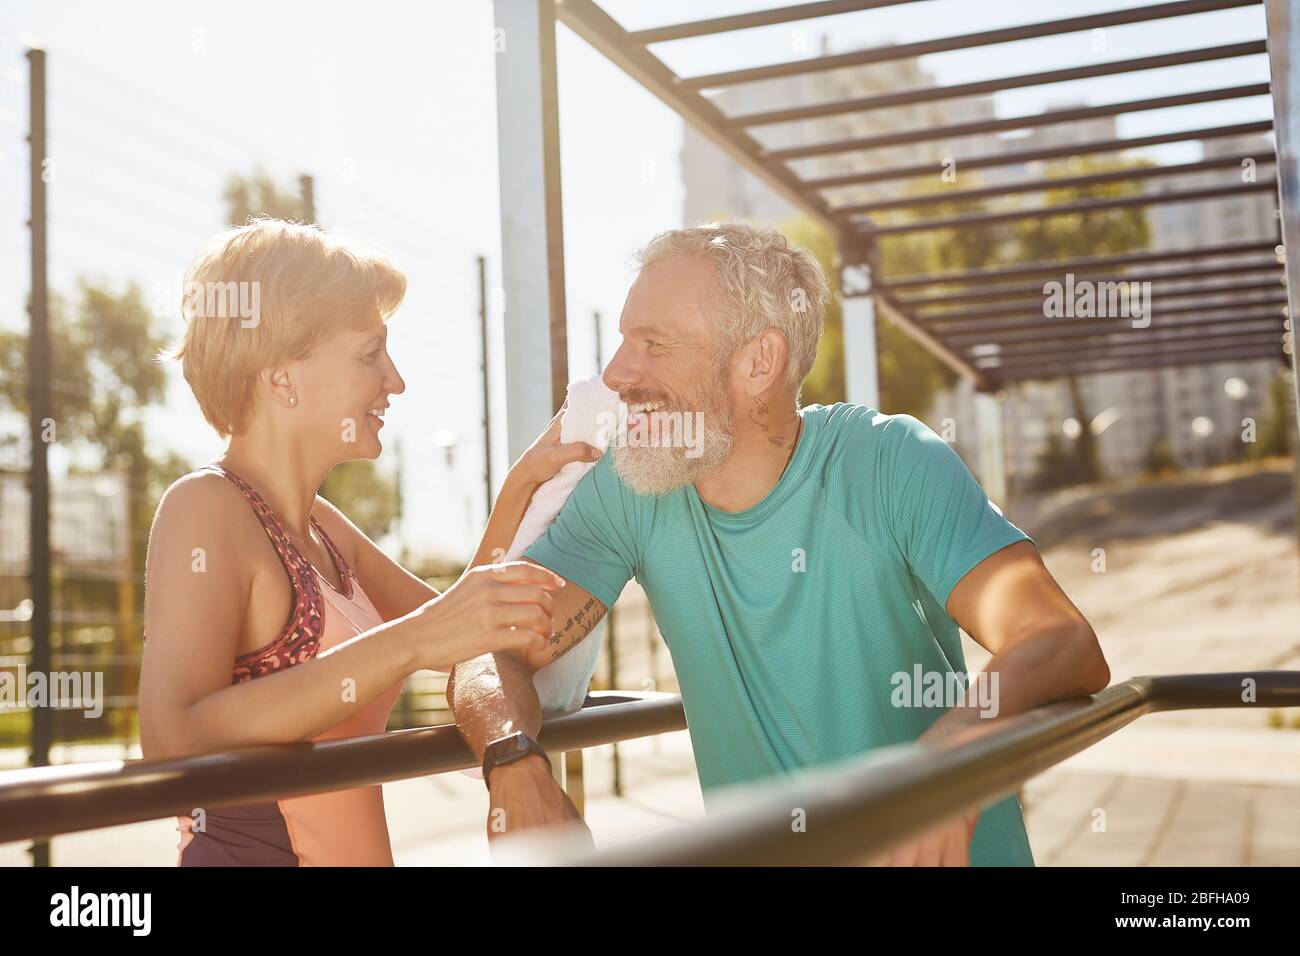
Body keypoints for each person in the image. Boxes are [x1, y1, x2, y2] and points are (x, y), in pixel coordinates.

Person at [448, 221, 1111, 866]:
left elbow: (1059, 639)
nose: (619, 374)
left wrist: (944, 767)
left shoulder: (890, 460)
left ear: (758, 362)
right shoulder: (633, 487)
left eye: (654, 344)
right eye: (624, 341)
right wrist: (513, 764)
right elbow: (484, 644)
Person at [139, 217, 599, 866]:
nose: (396, 380)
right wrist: (410, 643)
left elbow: (466, 630)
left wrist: (522, 491)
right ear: (281, 378)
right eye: (368, 354)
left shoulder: (323, 526)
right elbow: (170, 739)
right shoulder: (205, 507)